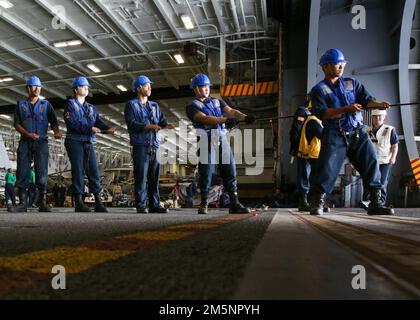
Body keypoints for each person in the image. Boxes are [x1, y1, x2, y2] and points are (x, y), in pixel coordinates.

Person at [309, 49, 394, 216]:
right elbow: (322, 113)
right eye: (336, 64)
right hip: (334, 132)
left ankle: (376, 202)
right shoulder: (318, 90)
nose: (341, 66)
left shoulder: (352, 83)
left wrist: (377, 104)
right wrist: (344, 109)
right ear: (325, 67)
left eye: (342, 63)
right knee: (327, 167)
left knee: (371, 162)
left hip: (357, 131)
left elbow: (366, 100)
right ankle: (317, 201)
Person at [185, 73, 255, 215]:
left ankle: (234, 203)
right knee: (206, 171)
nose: (206, 89)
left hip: (221, 138)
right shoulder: (191, 106)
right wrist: (225, 121)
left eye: (207, 86)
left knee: (230, 169)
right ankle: (204, 203)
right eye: (202, 86)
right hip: (206, 140)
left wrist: (244, 117)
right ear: (196, 89)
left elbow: (231, 111)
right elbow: (204, 118)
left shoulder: (217, 101)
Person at [9, 75, 61, 213]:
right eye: (33, 86)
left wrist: (56, 132)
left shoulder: (46, 105)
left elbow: (54, 122)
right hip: (25, 142)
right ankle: (22, 203)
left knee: (42, 171)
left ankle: (42, 203)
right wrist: (27, 134)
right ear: (27, 88)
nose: (36, 89)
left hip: (41, 142)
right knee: (23, 170)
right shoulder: (21, 105)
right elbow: (17, 124)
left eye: (38, 86)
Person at [124, 75, 175, 214]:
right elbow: (132, 124)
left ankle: (154, 204)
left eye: (149, 85)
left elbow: (161, 120)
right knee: (141, 176)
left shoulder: (154, 106)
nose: (150, 87)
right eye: (147, 85)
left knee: (154, 177)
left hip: (155, 145)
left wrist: (166, 124)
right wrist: (149, 127)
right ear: (139, 88)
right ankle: (141, 204)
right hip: (140, 145)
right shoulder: (131, 105)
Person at [64, 76, 115, 212]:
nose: (86, 88)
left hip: (88, 142)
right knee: (78, 170)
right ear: (76, 89)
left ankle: (98, 201)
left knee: (93, 170)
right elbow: (72, 123)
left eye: (87, 86)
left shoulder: (91, 107)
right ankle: (79, 202)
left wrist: (107, 128)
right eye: (83, 86)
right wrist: (89, 129)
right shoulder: (70, 105)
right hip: (74, 140)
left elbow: (97, 121)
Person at [362, 109, 399, 207]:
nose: (377, 118)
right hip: (370, 161)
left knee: (382, 182)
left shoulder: (390, 129)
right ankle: (367, 201)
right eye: (375, 116)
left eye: (380, 116)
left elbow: (394, 145)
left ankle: (381, 202)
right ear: (372, 118)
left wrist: (393, 157)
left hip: (385, 161)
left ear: (384, 117)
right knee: (368, 181)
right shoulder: (366, 130)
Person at [292, 100, 324, 212]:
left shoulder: (312, 119)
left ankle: (308, 202)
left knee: (306, 177)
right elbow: (322, 135)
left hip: (308, 152)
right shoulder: (312, 120)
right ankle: (306, 202)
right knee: (307, 178)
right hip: (308, 152)